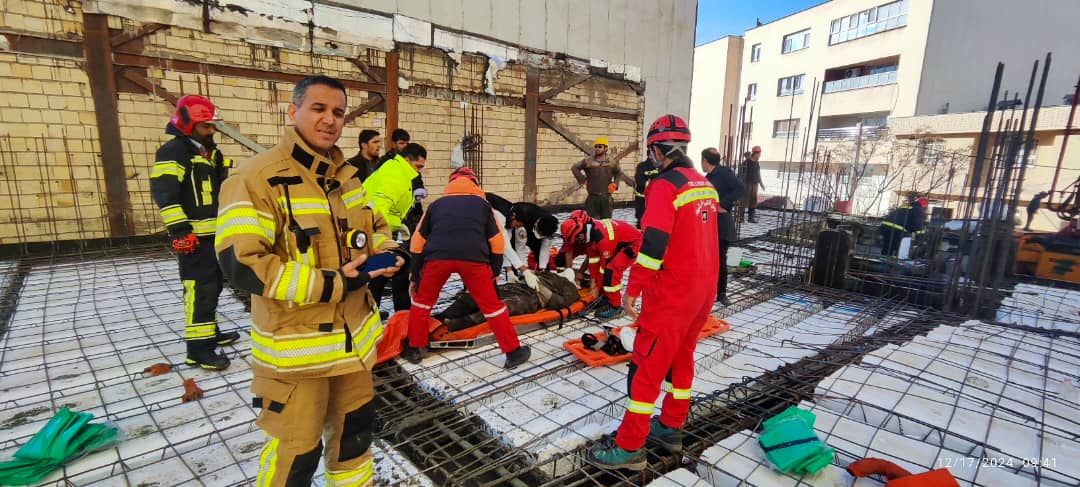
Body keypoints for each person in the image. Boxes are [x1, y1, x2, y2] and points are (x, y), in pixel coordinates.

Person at [214, 75, 407, 486]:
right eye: (318, 109)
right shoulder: (254, 179)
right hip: (297, 356)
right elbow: (242, 263)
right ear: (293, 112)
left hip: (353, 347)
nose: (330, 120)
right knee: (295, 457)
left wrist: (387, 250)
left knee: (354, 443)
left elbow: (368, 228)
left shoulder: (348, 177)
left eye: (338, 112)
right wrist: (335, 284)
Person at [590, 114, 719, 470]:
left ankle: (630, 447)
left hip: (674, 293)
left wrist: (634, 289)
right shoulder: (703, 184)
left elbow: (654, 244)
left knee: (648, 365)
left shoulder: (664, 186)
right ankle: (671, 427)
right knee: (682, 357)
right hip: (703, 289)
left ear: (656, 150)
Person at [404, 167, 531, 368]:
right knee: (492, 307)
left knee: (422, 302)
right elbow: (497, 242)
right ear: (475, 183)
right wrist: (494, 273)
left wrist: (415, 275)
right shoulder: (484, 206)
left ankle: (414, 348)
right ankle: (513, 352)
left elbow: (417, 242)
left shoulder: (435, 205)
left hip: (437, 258)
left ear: (450, 183)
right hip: (475, 260)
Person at [150, 94, 240, 371]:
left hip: (214, 235)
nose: (212, 131)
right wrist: (179, 232)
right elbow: (165, 194)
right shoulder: (173, 152)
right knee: (198, 290)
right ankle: (199, 350)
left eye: (213, 126)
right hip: (193, 238)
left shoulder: (210, 152)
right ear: (187, 124)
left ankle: (209, 332)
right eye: (206, 126)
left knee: (212, 286)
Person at [365, 142, 427, 315]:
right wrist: (389, 233)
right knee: (389, 269)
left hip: (377, 229)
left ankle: (376, 311)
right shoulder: (395, 174)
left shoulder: (398, 171)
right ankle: (398, 315)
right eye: (417, 166)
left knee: (381, 272)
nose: (419, 171)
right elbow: (380, 207)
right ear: (407, 160)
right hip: (375, 231)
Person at [559, 210, 642, 320]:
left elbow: (603, 267)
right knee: (602, 275)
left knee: (611, 272)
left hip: (633, 244)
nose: (578, 243)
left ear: (581, 234)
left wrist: (597, 287)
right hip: (618, 242)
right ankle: (605, 298)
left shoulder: (602, 239)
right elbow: (593, 261)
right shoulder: (589, 235)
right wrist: (593, 283)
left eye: (577, 239)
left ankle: (615, 307)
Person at [435, 269, 579, 331]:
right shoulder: (550, 274)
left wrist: (540, 287)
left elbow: (559, 303)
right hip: (519, 286)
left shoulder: (570, 289)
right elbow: (530, 275)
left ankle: (461, 323)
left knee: (503, 306)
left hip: (535, 298)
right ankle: (443, 316)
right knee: (482, 294)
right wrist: (526, 276)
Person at [702, 148, 746, 306]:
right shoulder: (706, 178)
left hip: (722, 225)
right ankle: (707, 292)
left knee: (720, 260)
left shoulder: (724, 173)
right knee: (707, 261)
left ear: (705, 160)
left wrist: (725, 204)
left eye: (703, 161)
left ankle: (721, 293)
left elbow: (740, 188)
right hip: (709, 225)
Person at [486, 192, 559, 271]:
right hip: (514, 227)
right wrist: (523, 269)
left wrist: (543, 268)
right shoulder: (519, 222)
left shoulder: (549, 225)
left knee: (542, 263)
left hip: (516, 224)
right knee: (510, 252)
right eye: (517, 225)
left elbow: (545, 248)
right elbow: (516, 246)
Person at [571, 137, 635, 219]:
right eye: (596, 146)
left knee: (607, 223)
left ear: (605, 148)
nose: (597, 148)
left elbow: (618, 173)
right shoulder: (588, 161)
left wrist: (615, 183)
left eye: (600, 147)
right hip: (592, 198)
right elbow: (574, 168)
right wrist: (582, 180)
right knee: (592, 222)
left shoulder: (611, 162)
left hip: (606, 199)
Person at [633, 154, 660, 228]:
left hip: (656, 201)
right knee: (641, 223)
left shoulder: (661, 166)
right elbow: (640, 181)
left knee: (655, 223)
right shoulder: (642, 166)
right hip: (642, 201)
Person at [739, 146, 764, 223]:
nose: (760, 156)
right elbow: (740, 173)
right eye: (759, 154)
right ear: (756, 153)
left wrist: (761, 183)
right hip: (746, 184)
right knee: (744, 200)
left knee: (753, 201)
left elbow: (758, 173)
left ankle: (751, 218)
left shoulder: (757, 163)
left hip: (755, 184)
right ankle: (741, 218)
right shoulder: (746, 163)